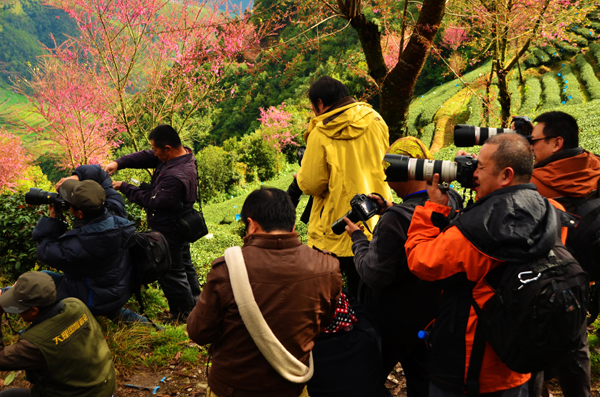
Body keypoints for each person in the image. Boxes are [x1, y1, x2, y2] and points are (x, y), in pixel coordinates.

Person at [405, 133, 560, 396]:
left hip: (471, 369)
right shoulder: (550, 210)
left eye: (481, 167)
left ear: (506, 175)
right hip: (518, 357)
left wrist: (432, 208)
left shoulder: (474, 232)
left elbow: (421, 261)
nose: (474, 173)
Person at [187, 188, 342, 397]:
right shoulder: (327, 267)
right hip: (291, 389)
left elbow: (199, 332)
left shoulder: (226, 269)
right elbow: (325, 321)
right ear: (293, 225)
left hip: (232, 389)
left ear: (251, 225)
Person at [343, 137, 463, 397]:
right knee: (422, 378)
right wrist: (391, 208)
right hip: (431, 314)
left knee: (369, 378)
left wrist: (358, 239)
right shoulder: (449, 199)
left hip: (392, 320)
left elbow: (374, 274)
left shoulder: (394, 221)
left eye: (389, 176)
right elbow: (420, 213)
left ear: (401, 172)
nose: (388, 184)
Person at [296, 76, 392, 298]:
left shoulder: (320, 133)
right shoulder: (376, 119)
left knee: (338, 296)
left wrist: (301, 173)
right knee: (370, 292)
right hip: (377, 216)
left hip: (337, 226)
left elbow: (311, 184)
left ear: (320, 103)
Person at [527, 111, 598, 397]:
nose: (530, 147)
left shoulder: (532, 183)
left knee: (533, 345)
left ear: (557, 143)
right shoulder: (595, 165)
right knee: (576, 346)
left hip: (546, 280)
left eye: (534, 141)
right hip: (584, 277)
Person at [104, 124, 200, 321]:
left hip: (170, 227)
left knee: (172, 272)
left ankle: (183, 315)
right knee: (185, 265)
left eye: (156, 150)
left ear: (167, 149)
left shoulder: (175, 175)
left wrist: (124, 186)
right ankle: (197, 305)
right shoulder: (181, 155)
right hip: (180, 222)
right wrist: (119, 163)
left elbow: (152, 200)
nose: (154, 154)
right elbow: (147, 156)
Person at [32, 173, 145, 323]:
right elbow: (101, 173)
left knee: (43, 278)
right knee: (106, 295)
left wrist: (53, 218)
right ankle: (139, 322)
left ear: (79, 213)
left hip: (92, 299)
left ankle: (49, 323)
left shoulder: (76, 245)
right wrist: (75, 177)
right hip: (118, 289)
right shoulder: (117, 214)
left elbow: (44, 250)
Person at [0, 272, 116, 397]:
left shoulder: (34, 344)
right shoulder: (76, 305)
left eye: (18, 308)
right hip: (104, 387)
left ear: (34, 311)